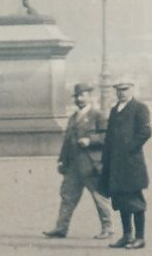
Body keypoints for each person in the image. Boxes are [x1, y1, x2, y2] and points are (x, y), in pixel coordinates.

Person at [43, 84, 114, 239]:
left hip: (91, 165)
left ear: (90, 96)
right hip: (73, 166)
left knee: (99, 197)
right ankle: (61, 228)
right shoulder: (73, 118)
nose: (79, 99)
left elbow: (108, 137)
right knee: (67, 197)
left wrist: (90, 140)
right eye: (77, 96)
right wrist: (62, 161)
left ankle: (107, 228)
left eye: (82, 95)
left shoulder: (98, 116)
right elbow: (67, 143)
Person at [100, 79, 152, 249]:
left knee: (135, 200)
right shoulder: (115, 110)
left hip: (131, 163)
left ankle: (140, 237)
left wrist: (129, 148)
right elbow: (109, 137)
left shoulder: (140, 108)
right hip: (115, 164)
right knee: (121, 200)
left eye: (125, 89)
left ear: (132, 89)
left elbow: (146, 131)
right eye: (118, 89)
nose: (121, 92)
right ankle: (127, 235)